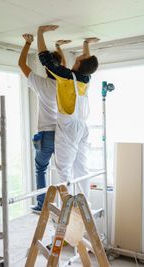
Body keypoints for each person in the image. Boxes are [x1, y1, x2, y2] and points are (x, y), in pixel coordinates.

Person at [37, 25, 99, 198]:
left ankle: (68, 207)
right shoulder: (86, 77)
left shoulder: (66, 77)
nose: (78, 58)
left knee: (64, 169)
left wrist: (40, 32)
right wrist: (86, 43)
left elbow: (45, 59)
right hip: (82, 126)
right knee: (82, 167)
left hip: (69, 126)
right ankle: (84, 203)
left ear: (78, 63)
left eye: (78, 58)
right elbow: (87, 60)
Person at [18, 33, 70, 213]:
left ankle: (42, 205)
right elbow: (63, 66)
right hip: (63, 134)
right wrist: (58, 48)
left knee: (41, 168)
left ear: (46, 69)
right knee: (64, 171)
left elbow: (21, 65)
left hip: (46, 135)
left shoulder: (41, 83)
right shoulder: (65, 84)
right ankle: (66, 205)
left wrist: (27, 43)